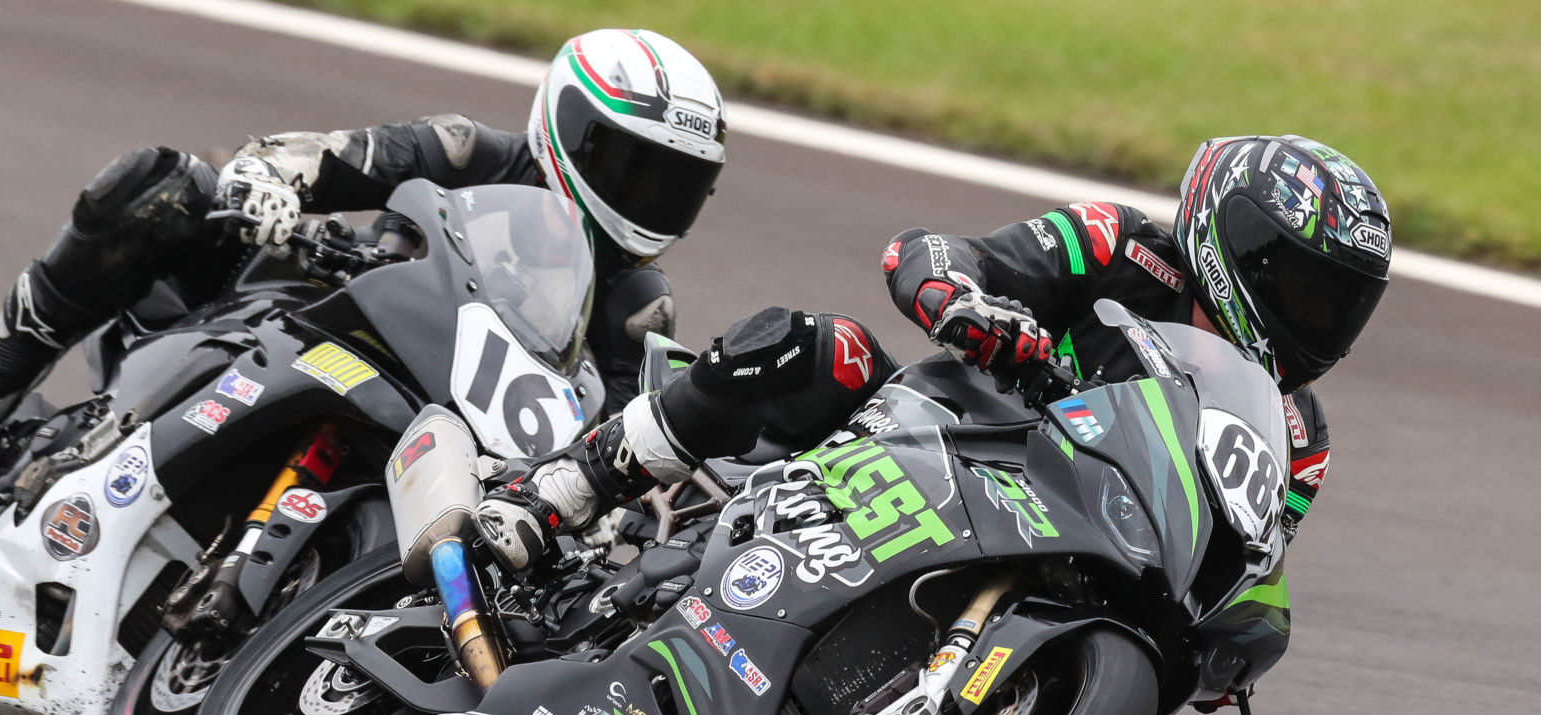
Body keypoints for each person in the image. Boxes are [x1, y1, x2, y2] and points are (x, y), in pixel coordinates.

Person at [477, 134, 1391, 570]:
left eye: (1340, 304)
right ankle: (569, 486)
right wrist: (963, 304)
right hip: (927, 439)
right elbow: (944, 253)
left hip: (1062, 547)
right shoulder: (1117, 246)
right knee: (815, 345)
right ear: (1237, 237)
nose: (1315, 319)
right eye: (1304, 284)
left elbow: (1244, 567)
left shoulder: (1293, 433)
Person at [0, 29, 727, 465]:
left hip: (430, 441)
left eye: (675, 185)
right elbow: (333, 154)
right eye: (632, 167)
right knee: (166, 186)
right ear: (570, 126)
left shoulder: (636, 305)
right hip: (311, 321)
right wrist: (272, 179)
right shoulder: (469, 150)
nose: (645, 198)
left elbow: (615, 437)